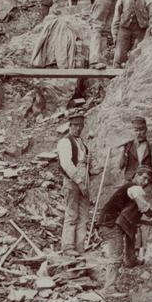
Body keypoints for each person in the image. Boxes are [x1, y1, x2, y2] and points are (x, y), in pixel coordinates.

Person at [96, 175, 152, 280]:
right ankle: (109, 288)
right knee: (116, 257)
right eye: (144, 178)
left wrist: (146, 221)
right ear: (136, 175)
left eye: (148, 180)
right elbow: (144, 206)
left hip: (112, 220)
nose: (145, 182)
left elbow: (128, 216)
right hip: (109, 223)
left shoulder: (129, 191)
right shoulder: (134, 188)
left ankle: (131, 260)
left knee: (131, 227)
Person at [53, 102, 89, 253]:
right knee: (72, 215)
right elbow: (67, 164)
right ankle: (68, 247)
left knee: (83, 217)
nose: (78, 128)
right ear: (70, 126)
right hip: (72, 183)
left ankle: (79, 247)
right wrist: (79, 182)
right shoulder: (65, 142)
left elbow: (85, 164)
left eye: (80, 125)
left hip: (84, 183)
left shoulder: (81, 143)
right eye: (75, 125)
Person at [111, 0, 149, 66]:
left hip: (140, 31)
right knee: (119, 59)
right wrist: (114, 35)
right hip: (124, 30)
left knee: (137, 58)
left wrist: (148, 31)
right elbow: (116, 18)